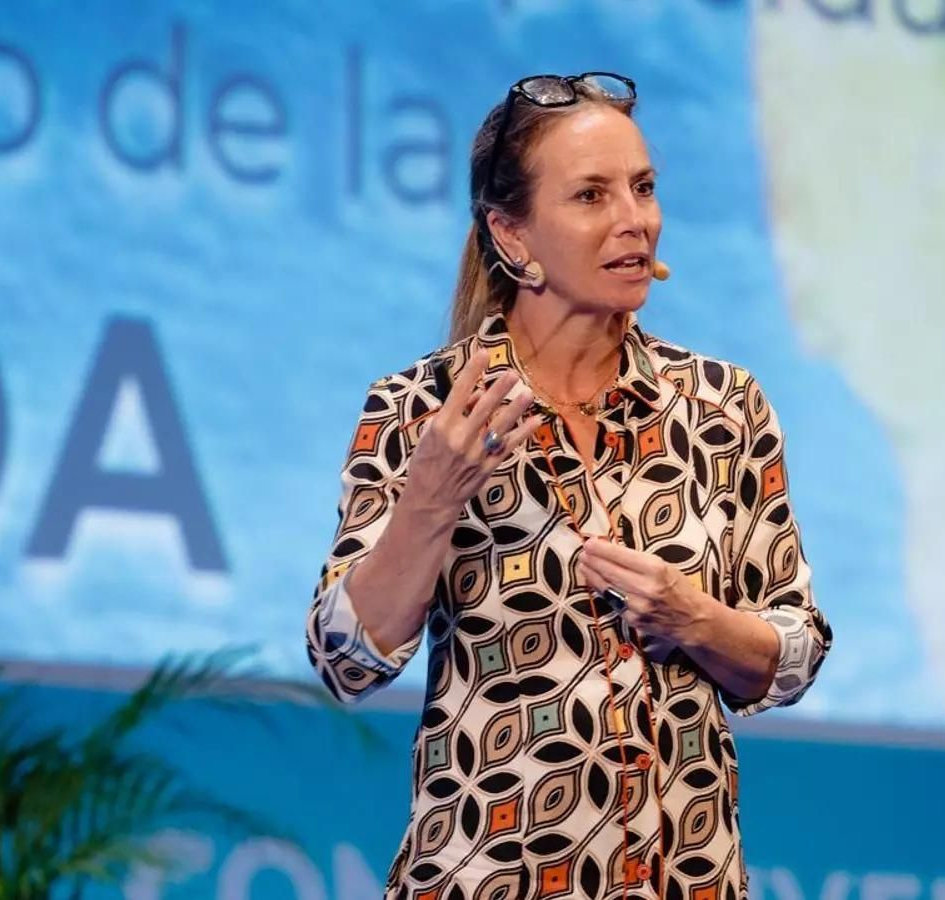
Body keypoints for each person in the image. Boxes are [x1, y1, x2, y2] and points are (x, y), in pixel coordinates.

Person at [304, 72, 832, 900]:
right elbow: (345, 658)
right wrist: (432, 501)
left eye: (643, 188)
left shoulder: (722, 407)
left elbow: (793, 653)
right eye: (591, 195)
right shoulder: (424, 411)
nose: (634, 219)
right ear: (511, 236)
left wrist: (694, 618)